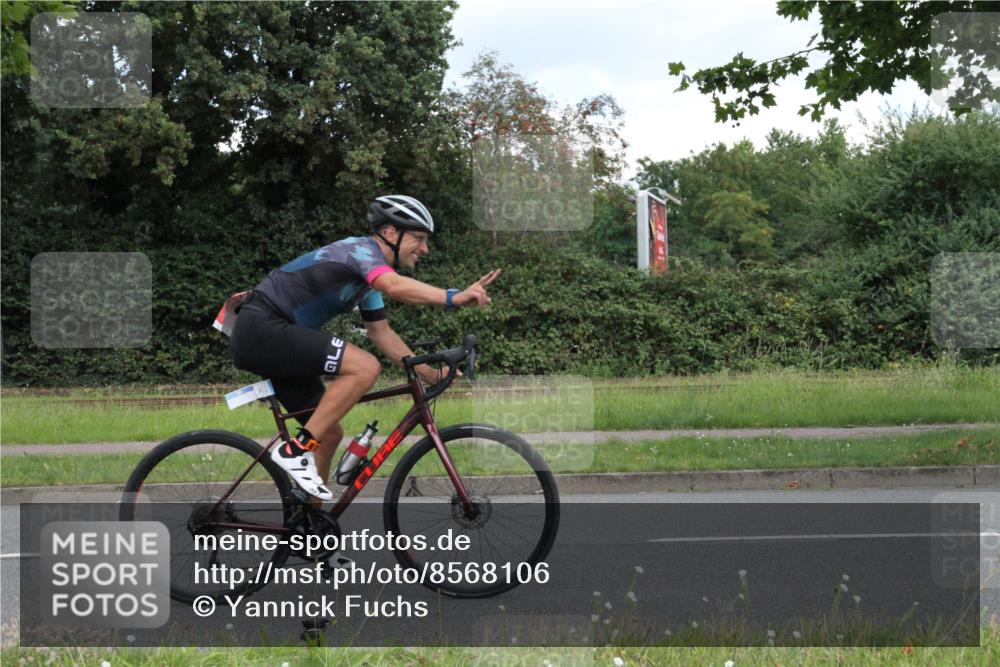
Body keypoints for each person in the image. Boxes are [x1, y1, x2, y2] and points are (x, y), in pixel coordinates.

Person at [229, 195, 500, 501]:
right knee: (365, 366)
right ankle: (294, 450)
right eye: (419, 238)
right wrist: (455, 297)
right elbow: (394, 286)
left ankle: (309, 532)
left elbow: (380, 332)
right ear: (389, 233)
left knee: (329, 433)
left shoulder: (368, 280)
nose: (425, 248)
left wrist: (428, 373)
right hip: (262, 327)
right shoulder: (360, 251)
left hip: (274, 337)